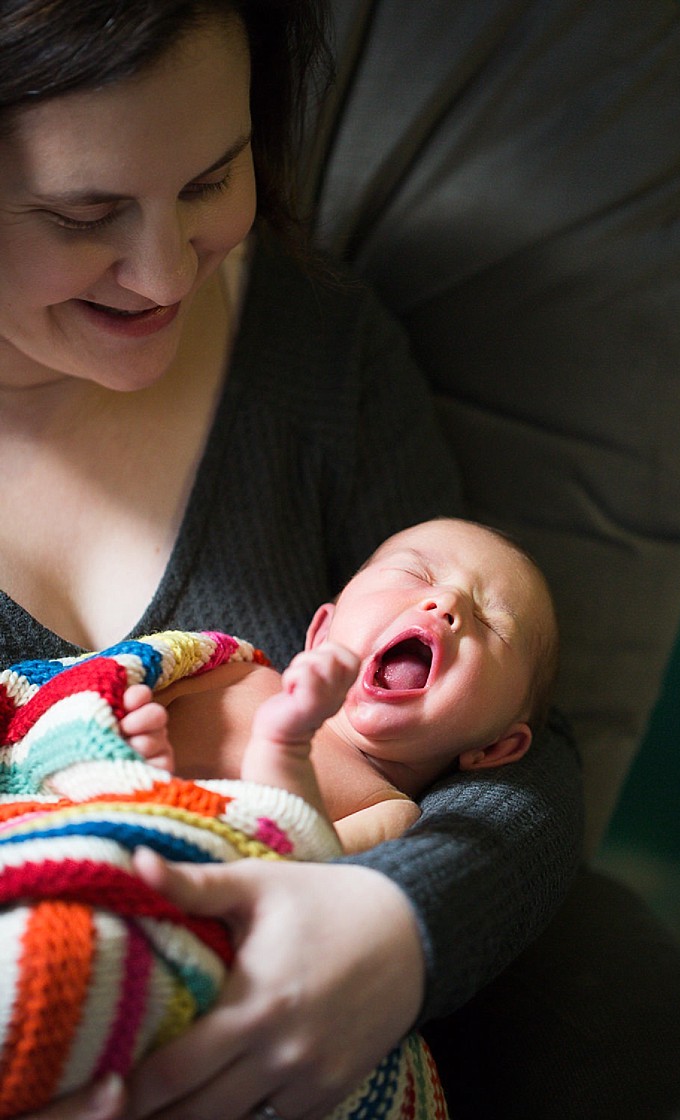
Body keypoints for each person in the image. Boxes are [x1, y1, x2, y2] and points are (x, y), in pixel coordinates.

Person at [0, 6, 581, 1119]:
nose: (166, 271)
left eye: (213, 180)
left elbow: (523, 755)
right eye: (85, 214)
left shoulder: (317, 347)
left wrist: (397, 929)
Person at [121, 517, 559, 854]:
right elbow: (96, 694)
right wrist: (120, 733)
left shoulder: (388, 813)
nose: (447, 602)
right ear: (322, 636)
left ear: (494, 748)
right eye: (417, 574)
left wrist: (285, 749)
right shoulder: (233, 671)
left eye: (490, 624)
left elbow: (295, 867)